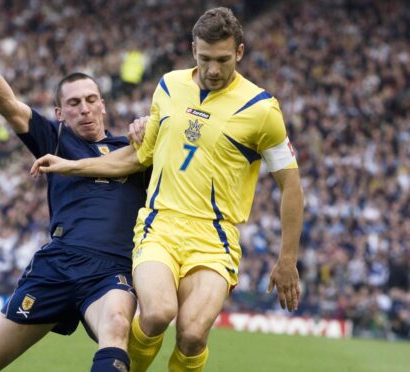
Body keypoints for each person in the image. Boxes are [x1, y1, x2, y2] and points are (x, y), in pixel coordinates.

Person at [31, 7, 304, 371]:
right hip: (159, 224)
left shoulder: (261, 110)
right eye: (205, 58)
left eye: (223, 60)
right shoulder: (169, 85)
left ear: (239, 52)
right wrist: (72, 165)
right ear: (193, 49)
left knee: (192, 335)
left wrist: (287, 259)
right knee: (157, 313)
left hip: (214, 236)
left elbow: (291, 184)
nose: (213, 69)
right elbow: (139, 157)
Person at [0, 22, 149, 372]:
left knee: (117, 326)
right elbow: (10, 106)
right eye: (74, 103)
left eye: (92, 100)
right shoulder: (55, 140)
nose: (85, 109)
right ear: (60, 114)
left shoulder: (135, 151)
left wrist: (146, 127)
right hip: (59, 263)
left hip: (111, 269)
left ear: (103, 105)